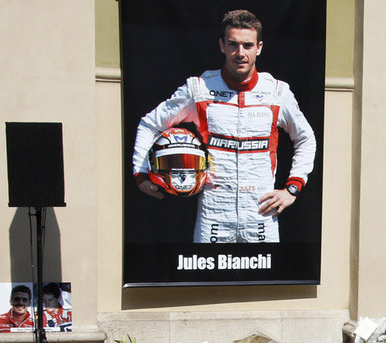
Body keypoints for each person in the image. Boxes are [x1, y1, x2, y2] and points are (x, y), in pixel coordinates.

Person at [132, 9, 317, 243]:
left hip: (261, 212)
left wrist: (292, 188)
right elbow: (150, 124)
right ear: (222, 45)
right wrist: (141, 174)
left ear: (259, 47)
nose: (240, 53)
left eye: (248, 45)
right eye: (233, 44)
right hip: (214, 212)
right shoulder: (198, 89)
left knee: (266, 280)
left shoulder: (277, 92)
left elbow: (305, 137)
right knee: (208, 280)